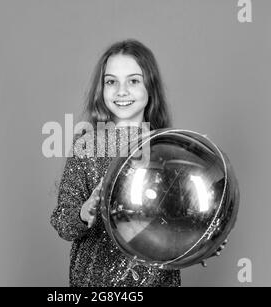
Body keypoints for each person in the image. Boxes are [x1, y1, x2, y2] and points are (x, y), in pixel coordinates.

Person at [50, 39, 224, 287]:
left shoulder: (169, 150)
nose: (122, 90)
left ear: (149, 88)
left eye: (133, 80)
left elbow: (181, 220)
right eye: (111, 81)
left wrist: (204, 238)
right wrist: (84, 211)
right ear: (102, 90)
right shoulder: (87, 148)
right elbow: (64, 223)